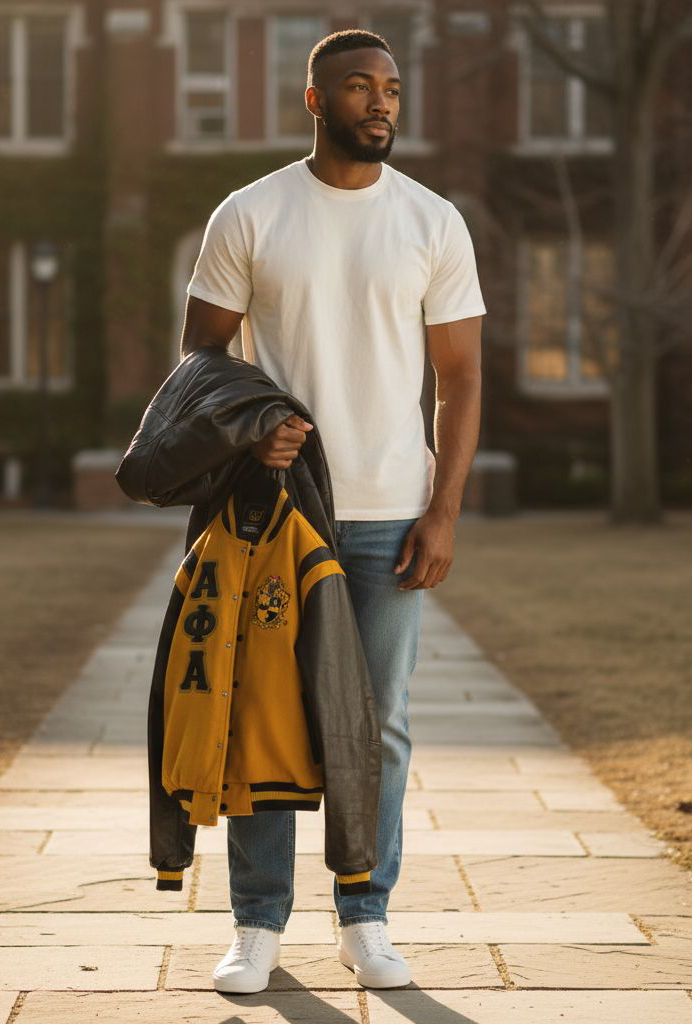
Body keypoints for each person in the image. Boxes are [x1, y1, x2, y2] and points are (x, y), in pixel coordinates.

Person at [177, 27, 486, 993]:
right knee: (263, 714)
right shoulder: (251, 214)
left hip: (392, 513)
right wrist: (250, 430)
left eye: (392, 87)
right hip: (278, 512)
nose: (381, 102)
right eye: (359, 87)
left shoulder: (433, 221)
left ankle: (366, 914)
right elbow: (202, 369)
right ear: (314, 100)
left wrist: (444, 511)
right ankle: (257, 924)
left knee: (380, 720)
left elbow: (462, 378)